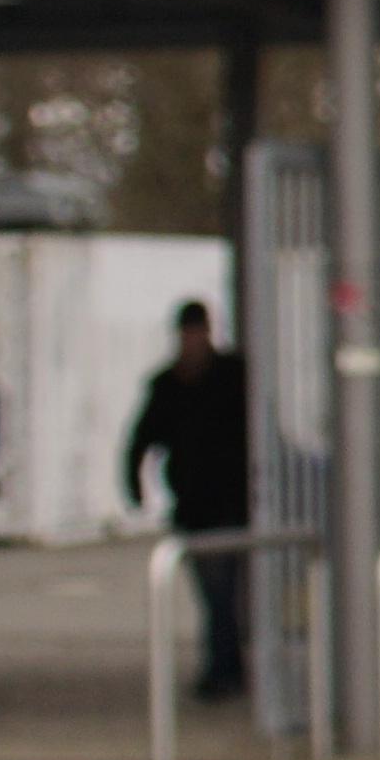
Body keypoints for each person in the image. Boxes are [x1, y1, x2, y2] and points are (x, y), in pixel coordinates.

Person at [118, 300, 256, 702]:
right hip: (194, 504)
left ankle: (223, 669)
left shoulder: (230, 376)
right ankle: (226, 667)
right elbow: (142, 439)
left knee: (221, 591)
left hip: (229, 501)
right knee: (215, 594)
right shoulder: (169, 384)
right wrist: (134, 486)